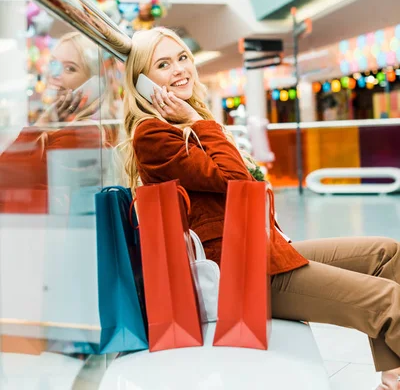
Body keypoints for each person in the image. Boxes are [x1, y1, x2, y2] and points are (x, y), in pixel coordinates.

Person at [123, 26, 400, 390]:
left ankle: (394, 378)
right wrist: (199, 122)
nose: (180, 70)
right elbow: (239, 182)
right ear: (142, 82)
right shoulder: (154, 134)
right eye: (163, 64)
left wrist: (196, 121)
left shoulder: (183, 123)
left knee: (386, 253)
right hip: (239, 276)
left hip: (258, 253)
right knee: (388, 302)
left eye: (182, 58)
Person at [0, 31, 118, 214]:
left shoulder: (80, 133)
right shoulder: (72, 127)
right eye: (54, 64)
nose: (55, 75)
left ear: (94, 83)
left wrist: (42, 124)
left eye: (70, 68)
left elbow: (5, 176)